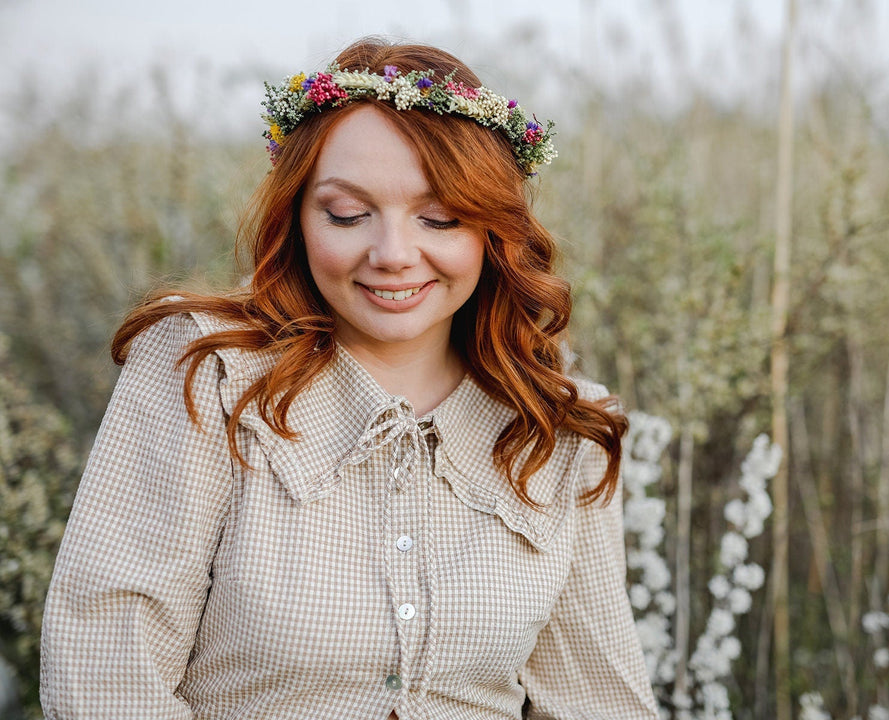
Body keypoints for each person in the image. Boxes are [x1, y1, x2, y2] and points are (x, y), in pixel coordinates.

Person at [40, 38, 659, 719]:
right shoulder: (205, 372)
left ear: (492, 231)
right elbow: (104, 665)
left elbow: (597, 700)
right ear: (297, 218)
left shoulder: (558, 427)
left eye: (440, 217)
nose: (393, 254)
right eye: (346, 214)